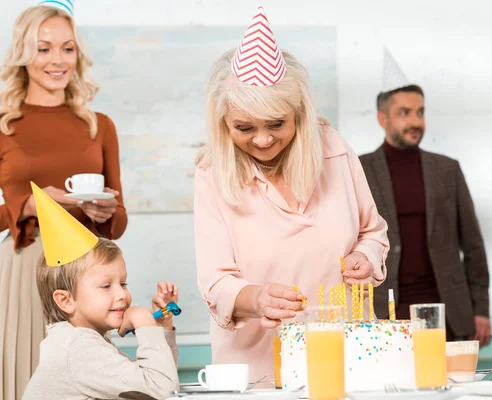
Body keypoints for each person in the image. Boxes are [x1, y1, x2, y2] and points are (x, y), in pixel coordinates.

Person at [194, 7, 389, 384]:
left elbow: (372, 230)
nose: (263, 139)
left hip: (347, 357)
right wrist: (255, 298)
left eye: (277, 124)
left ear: (298, 113)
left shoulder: (333, 148)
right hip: (258, 367)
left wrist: (365, 257)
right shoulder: (211, 173)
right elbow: (215, 279)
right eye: (244, 127)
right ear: (223, 123)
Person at [0, 3, 127, 398]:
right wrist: (27, 207)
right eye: (43, 48)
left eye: (67, 49)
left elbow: (119, 221)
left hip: (87, 267)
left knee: (92, 381)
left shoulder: (99, 125)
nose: (57, 60)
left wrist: (106, 212)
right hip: (25, 268)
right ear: (23, 54)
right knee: (25, 374)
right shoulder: (3, 125)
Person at [360, 84, 491, 345]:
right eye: (404, 113)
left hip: (447, 310)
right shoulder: (359, 169)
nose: (415, 121)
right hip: (385, 309)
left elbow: (473, 246)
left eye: (420, 112)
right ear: (382, 119)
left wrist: (480, 310)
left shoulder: (447, 169)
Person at [23, 183, 178, 399]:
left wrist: (161, 327)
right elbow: (161, 391)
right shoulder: (79, 349)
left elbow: (160, 381)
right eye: (106, 286)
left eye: (123, 283)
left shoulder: (84, 339)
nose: (122, 294)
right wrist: (144, 321)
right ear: (65, 300)